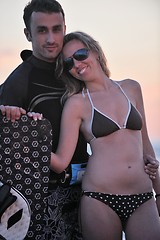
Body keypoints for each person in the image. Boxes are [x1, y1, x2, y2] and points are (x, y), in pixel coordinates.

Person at [47, 31, 160, 239]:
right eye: (69, 62)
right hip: (100, 200)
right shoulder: (76, 104)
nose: (77, 63)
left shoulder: (131, 88)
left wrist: (159, 190)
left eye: (81, 54)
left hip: (143, 198)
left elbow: (145, 145)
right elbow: (61, 162)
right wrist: (30, 145)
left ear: (95, 52)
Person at [0, 1, 89, 239]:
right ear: (28, 34)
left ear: (64, 28)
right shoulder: (19, 81)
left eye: (56, 29)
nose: (51, 38)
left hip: (87, 192)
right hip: (44, 200)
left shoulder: (76, 70)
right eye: (41, 30)